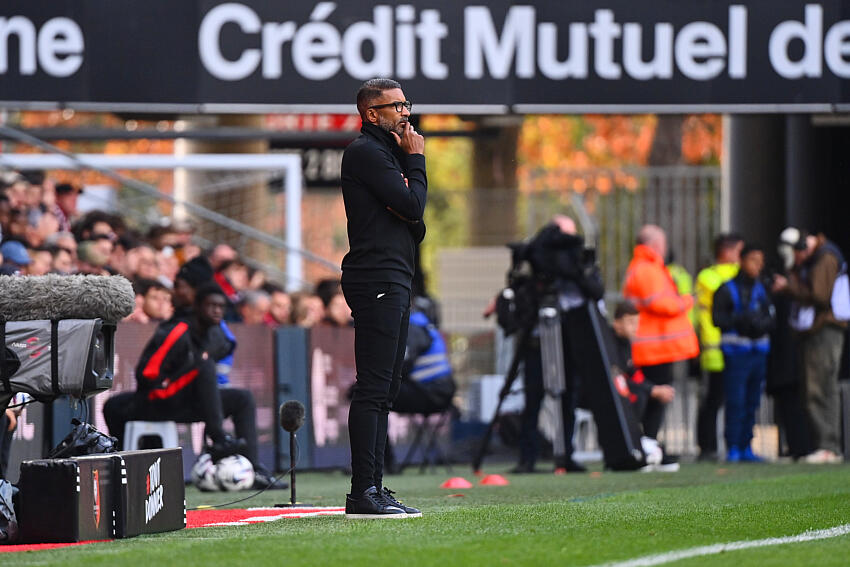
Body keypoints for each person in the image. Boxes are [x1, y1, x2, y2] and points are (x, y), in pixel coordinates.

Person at [340, 77, 425, 518]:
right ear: (372, 114)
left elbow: (413, 216)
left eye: (406, 103)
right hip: (376, 276)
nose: (405, 112)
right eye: (395, 106)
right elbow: (412, 209)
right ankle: (363, 492)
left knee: (387, 388)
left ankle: (373, 486)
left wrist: (409, 188)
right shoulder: (366, 152)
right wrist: (417, 163)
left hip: (393, 275)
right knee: (374, 387)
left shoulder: (386, 153)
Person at [773, 228, 848, 464]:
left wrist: (788, 287)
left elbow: (819, 295)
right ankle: (826, 445)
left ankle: (828, 446)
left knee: (820, 387)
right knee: (816, 387)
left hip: (824, 331)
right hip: (818, 331)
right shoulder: (819, 257)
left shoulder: (825, 258)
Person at [622, 225, 699, 438]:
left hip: (655, 347)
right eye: (663, 243)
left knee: (654, 396)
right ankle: (648, 441)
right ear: (655, 244)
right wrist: (686, 301)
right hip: (653, 348)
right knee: (655, 397)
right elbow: (663, 304)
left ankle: (648, 441)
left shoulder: (646, 267)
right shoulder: (646, 269)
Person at [712, 244, 775, 462]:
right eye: (754, 260)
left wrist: (760, 324)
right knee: (736, 402)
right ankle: (733, 447)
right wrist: (740, 320)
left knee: (752, 402)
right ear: (742, 260)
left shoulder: (762, 289)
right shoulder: (726, 289)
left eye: (761, 261)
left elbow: (772, 318)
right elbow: (717, 319)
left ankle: (747, 445)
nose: (758, 266)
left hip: (759, 354)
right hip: (736, 355)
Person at [695, 233, 744, 461]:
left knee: (732, 398)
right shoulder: (711, 276)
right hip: (716, 348)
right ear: (728, 251)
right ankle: (708, 447)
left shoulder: (720, 275)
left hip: (736, 347)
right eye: (739, 252)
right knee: (714, 399)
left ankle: (735, 445)